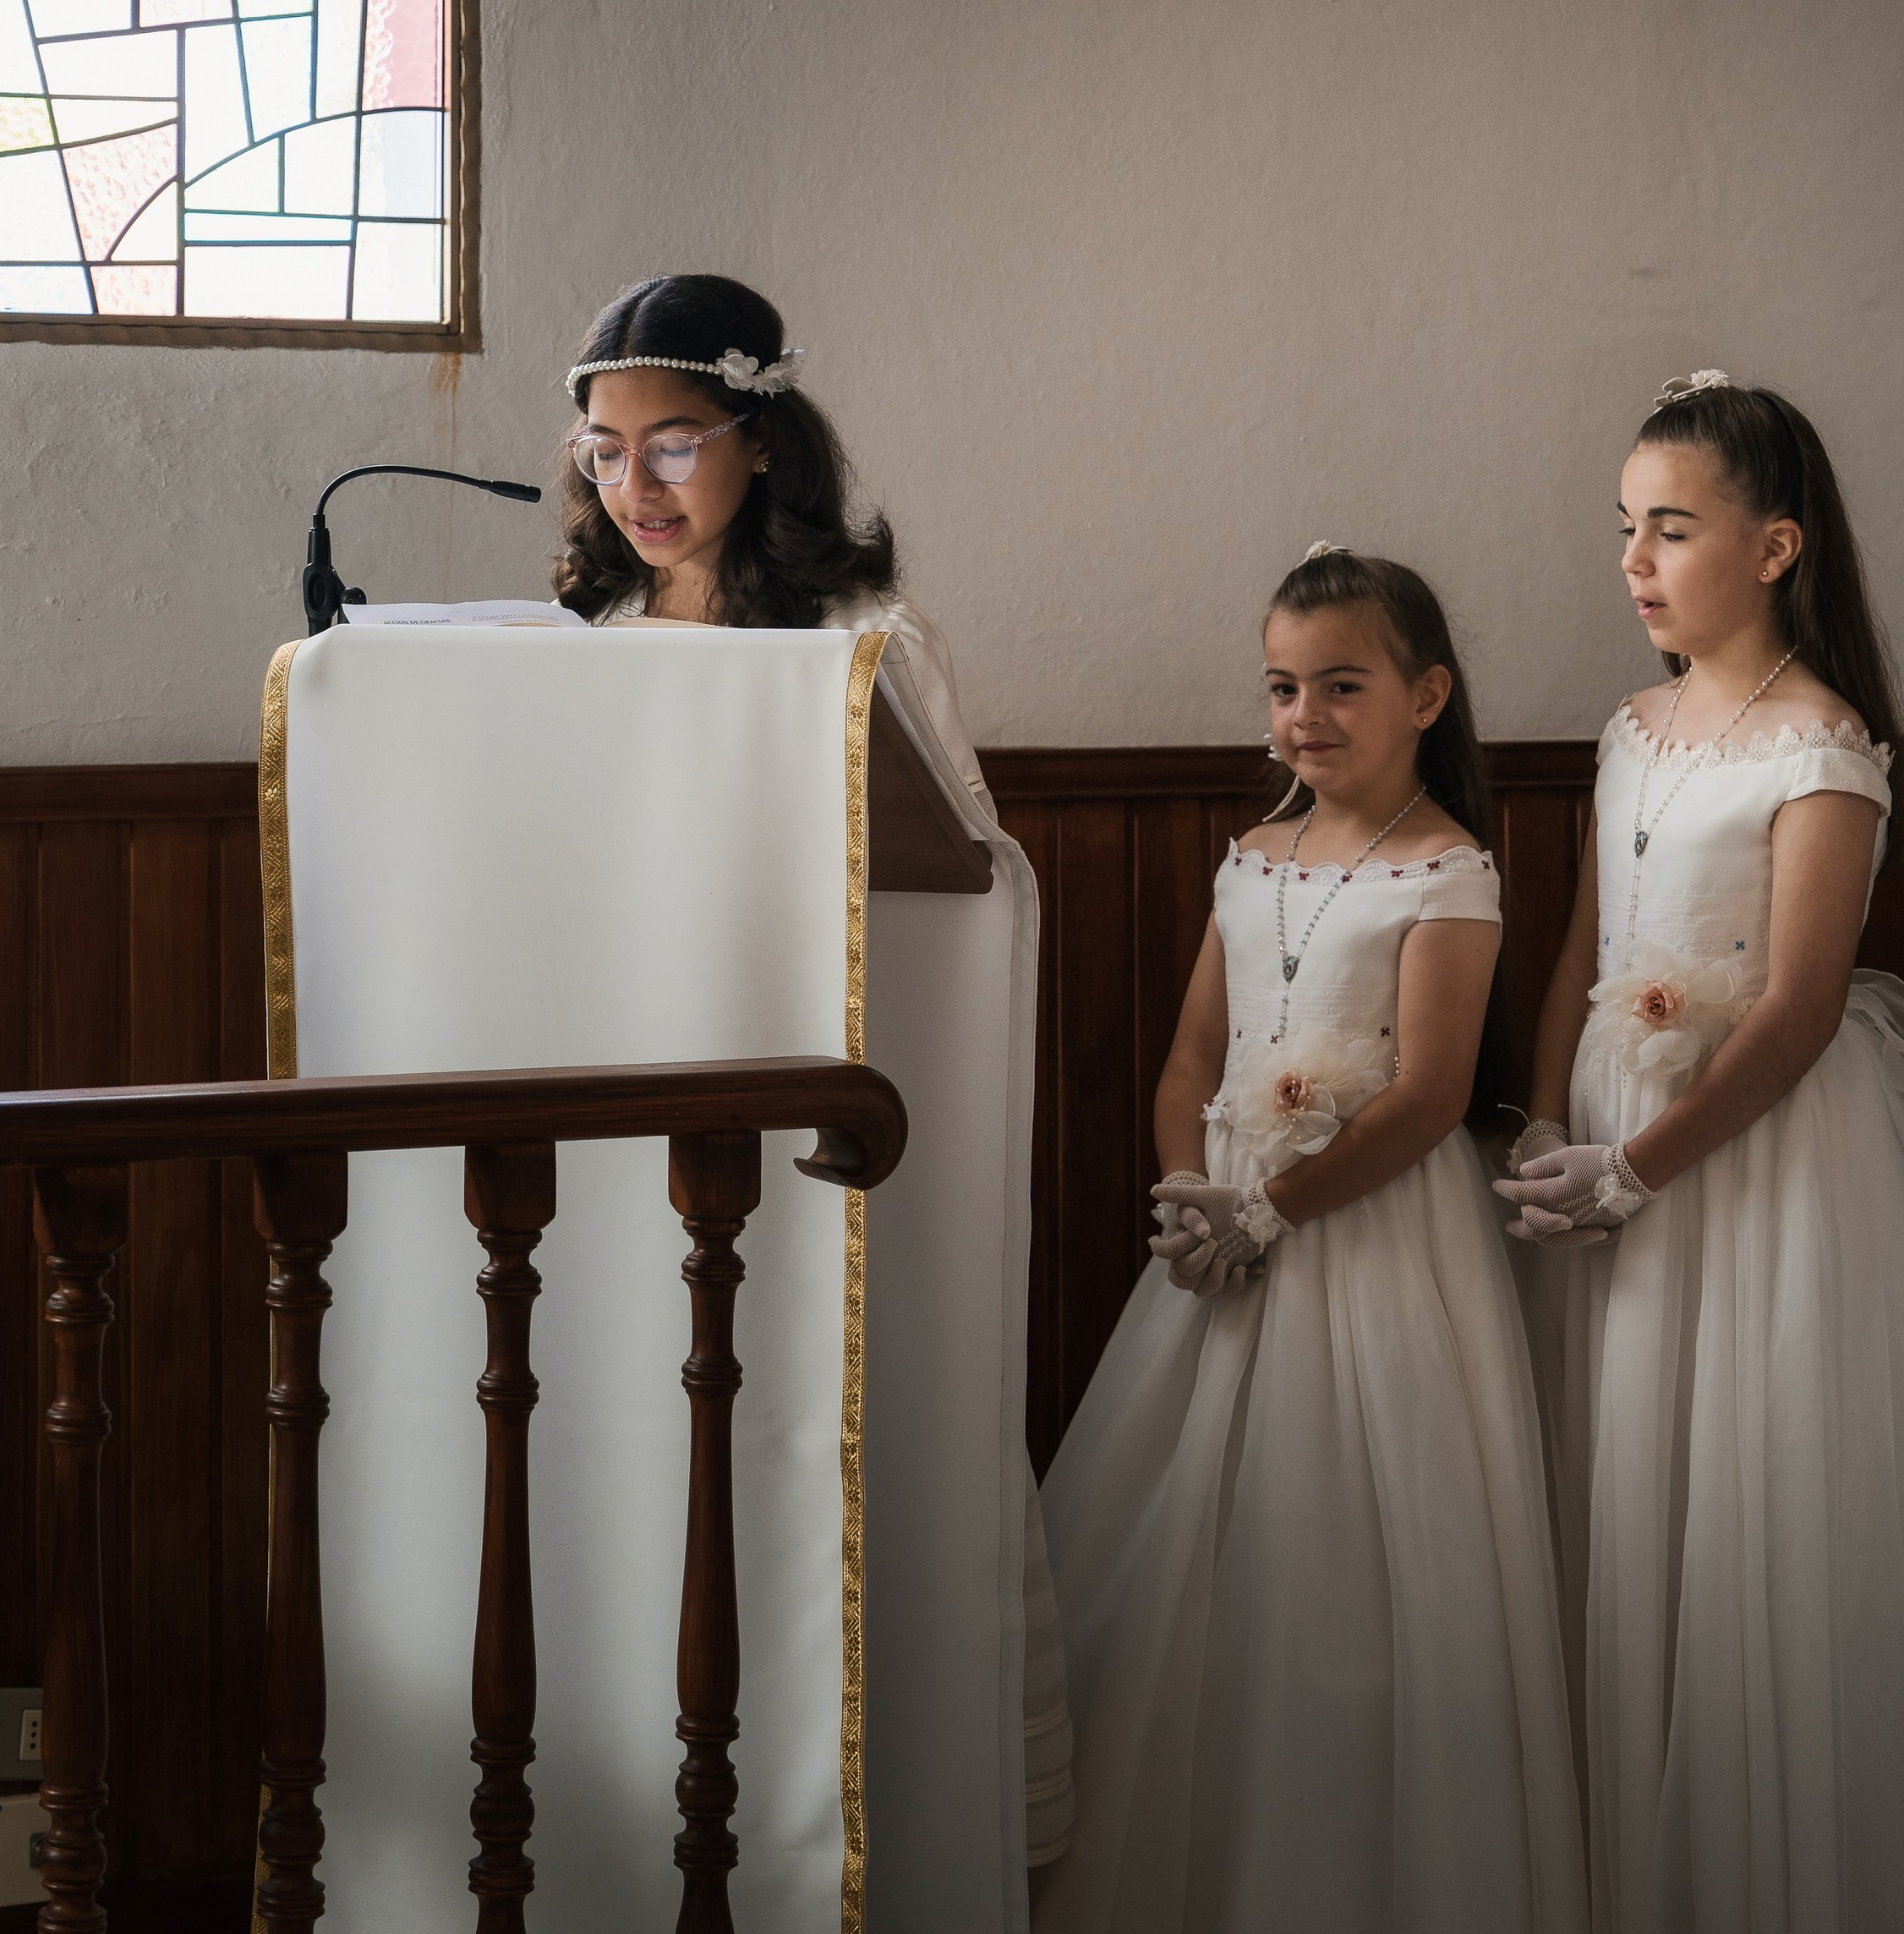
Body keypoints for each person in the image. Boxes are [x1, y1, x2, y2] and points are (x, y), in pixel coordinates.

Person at [554, 270, 1075, 1871]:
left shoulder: (860, 641)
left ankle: (871, 1827)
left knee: (821, 1452)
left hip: (820, 1097)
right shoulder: (592, 639)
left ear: (759, 441)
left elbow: (972, 881)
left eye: (670, 445)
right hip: (642, 1081)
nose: (631, 486)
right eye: (601, 450)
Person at [1036, 546, 1584, 1934]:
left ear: (1425, 695)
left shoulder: (1447, 873)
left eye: (1342, 684)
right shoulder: (1250, 858)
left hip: (1374, 1244)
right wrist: (1190, 1197)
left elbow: (1430, 1099)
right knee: (1180, 1540)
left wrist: (1276, 1208)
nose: (1305, 715)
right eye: (1283, 686)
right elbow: (1187, 1065)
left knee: (1356, 1557)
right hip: (1223, 1240)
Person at [1499, 372, 1901, 1933]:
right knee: (1618, 1479)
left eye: (1672, 526)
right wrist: (1548, 1118)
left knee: (1736, 1489)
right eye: (1626, 528)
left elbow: (1799, 1008)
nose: (1636, 559)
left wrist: (1639, 1168)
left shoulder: (1824, 743)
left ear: (1777, 544)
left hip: (1747, 1158)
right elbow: (1584, 952)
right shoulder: (1634, 727)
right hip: (1605, 1119)